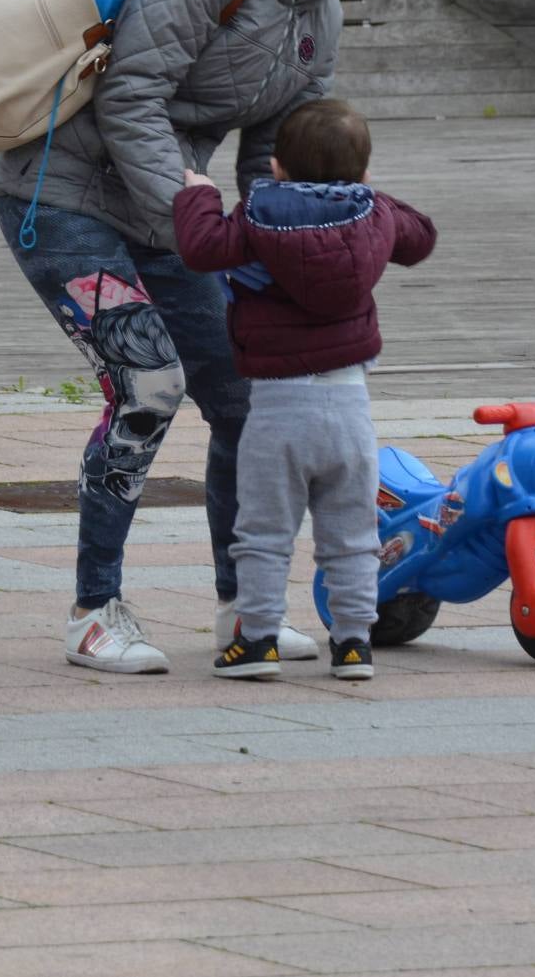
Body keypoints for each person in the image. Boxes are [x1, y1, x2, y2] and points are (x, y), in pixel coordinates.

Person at [0, 0, 409, 674]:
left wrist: (276, 247)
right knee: (147, 383)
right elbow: (130, 97)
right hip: (62, 196)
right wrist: (192, 211)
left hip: (170, 210)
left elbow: (276, 149)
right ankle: (95, 611)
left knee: (246, 391)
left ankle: (242, 613)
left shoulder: (320, 8)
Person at [172, 99, 437, 681]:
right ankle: (352, 645)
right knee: (351, 536)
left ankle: (259, 640)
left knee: (263, 534)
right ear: (363, 172)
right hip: (349, 408)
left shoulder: (260, 214)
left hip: (276, 407)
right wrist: (374, 198)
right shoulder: (374, 216)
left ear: (276, 167)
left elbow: (201, 249)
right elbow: (421, 240)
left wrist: (198, 193)